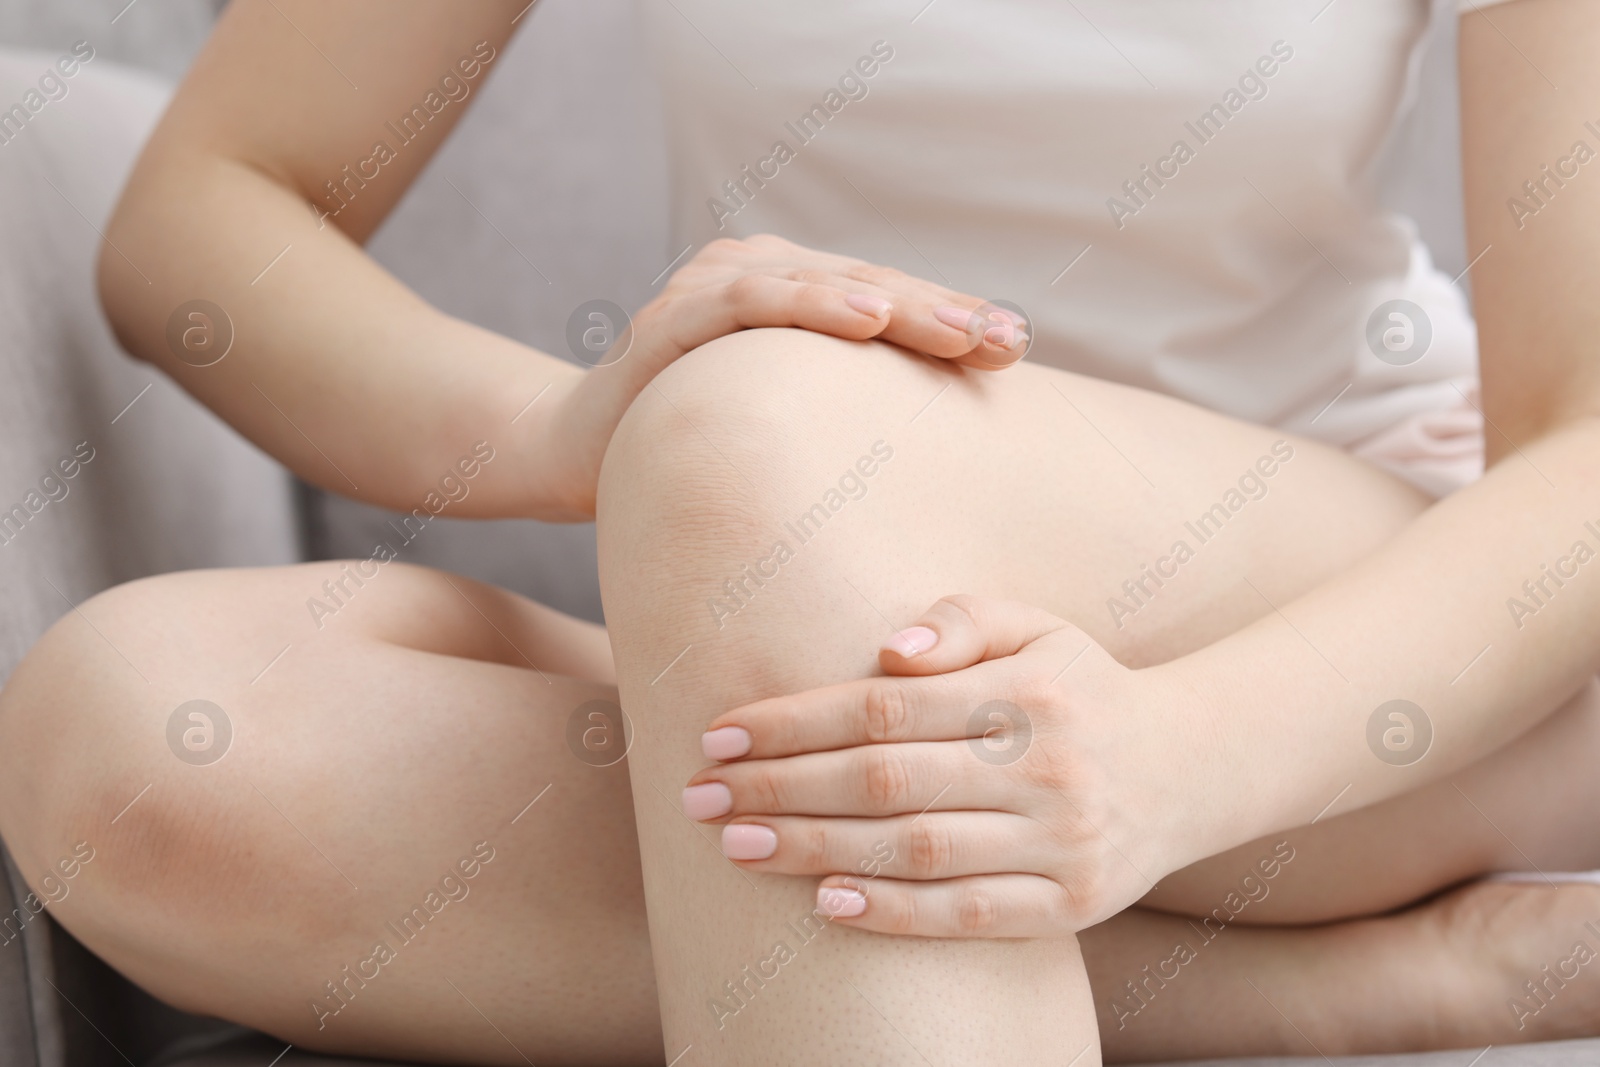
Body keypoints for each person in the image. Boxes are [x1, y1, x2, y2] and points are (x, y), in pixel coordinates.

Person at [1, 0, 1598, 1064]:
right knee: (137, 749)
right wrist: (575, 431)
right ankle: (1328, 995)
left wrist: (1178, 753)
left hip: (1354, 645)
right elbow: (204, 217)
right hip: (784, 581)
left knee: (763, 417)